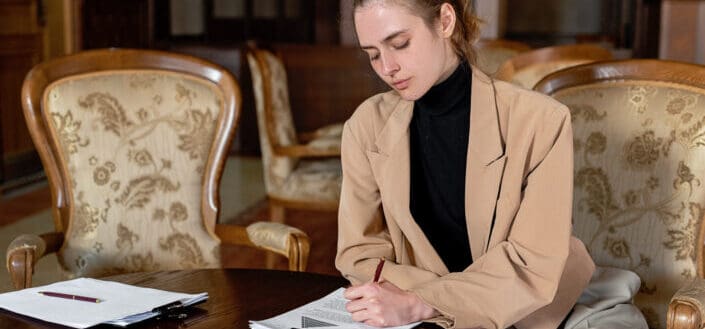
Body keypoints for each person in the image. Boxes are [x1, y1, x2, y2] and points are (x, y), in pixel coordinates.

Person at [335, 1, 597, 328]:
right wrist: (424, 306)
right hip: (413, 319)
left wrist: (423, 302)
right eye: (373, 54)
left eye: (399, 44)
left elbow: (531, 266)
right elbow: (359, 255)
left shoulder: (540, 122)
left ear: (445, 21)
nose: (387, 67)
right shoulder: (366, 125)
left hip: (533, 316)